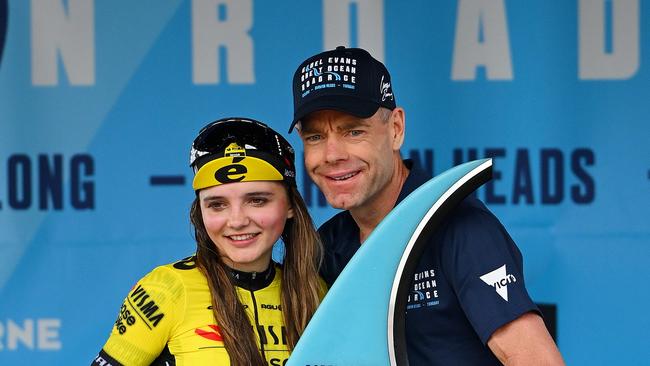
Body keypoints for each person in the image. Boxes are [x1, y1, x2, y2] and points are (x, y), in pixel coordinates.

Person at [289, 46, 565, 365]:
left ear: (396, 129)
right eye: (314, 138)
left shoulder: (458, 227)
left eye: (353, 131)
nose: (332, 154)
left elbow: (536, 360)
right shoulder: (326, 247)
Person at [93, 117, 325, 366]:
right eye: (217, 205)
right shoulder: (166, 290)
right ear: (200, 211)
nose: (236, 221)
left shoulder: (317, 293)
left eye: (257, 200)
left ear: (290, 205)